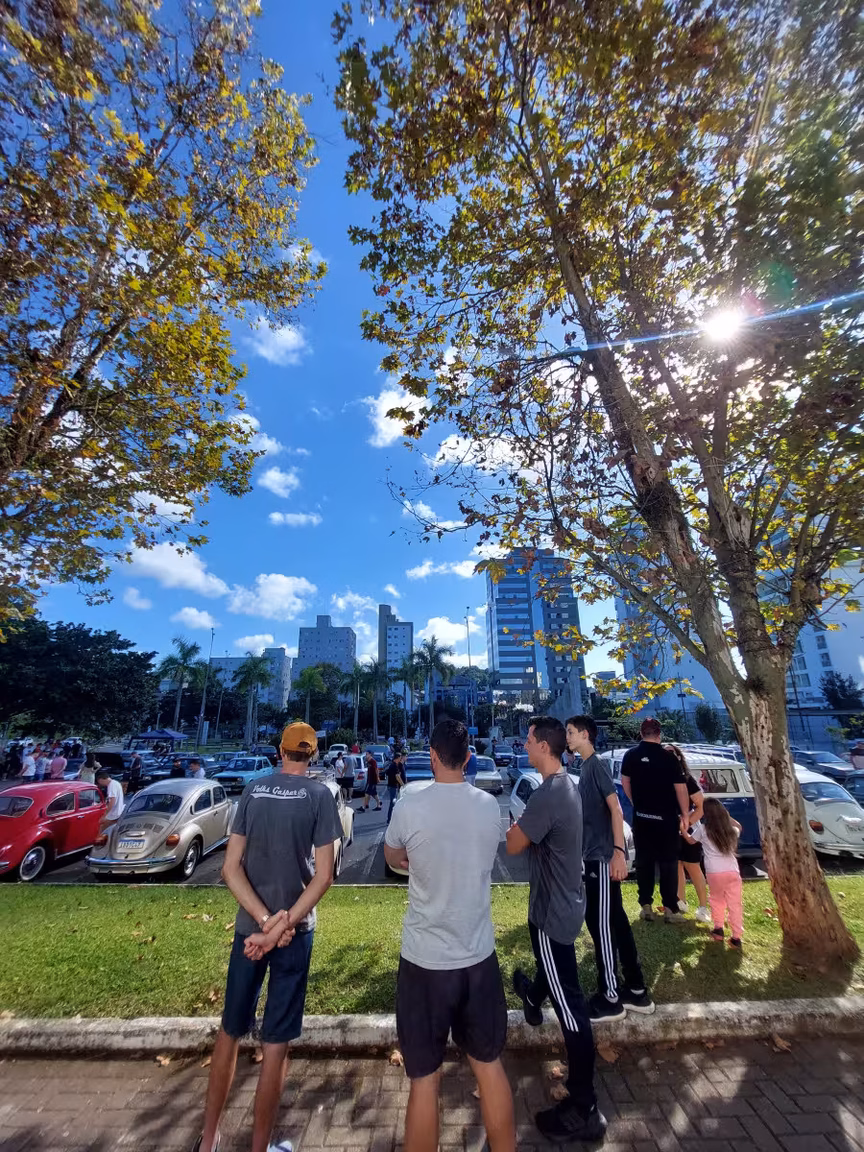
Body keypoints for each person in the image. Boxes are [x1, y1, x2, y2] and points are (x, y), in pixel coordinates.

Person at [192, 722, 342, 1152]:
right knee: (275, 1044)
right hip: (295, 933)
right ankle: (260, 1146)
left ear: (280, 751)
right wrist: (283, 924)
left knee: (229, 1031)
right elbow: (325, 876)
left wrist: (263, 923)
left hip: (249, 932)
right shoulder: (319, 795)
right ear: (313, 755)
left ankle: (209, 1140)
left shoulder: (253, 791)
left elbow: (229, 868)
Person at [384, 718, 515, 1152]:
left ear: (433, 757)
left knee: (424, 1080)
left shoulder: (410, 805)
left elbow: (392, 854)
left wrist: (413, 861)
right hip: (478, 958)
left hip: (424, 962)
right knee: (489, 1066)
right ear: (468, 758)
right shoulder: (489, 807)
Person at [506, 716, 605, 1145]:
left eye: (528, 739)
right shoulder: (566, 785)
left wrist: (514, 827)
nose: (524, 744)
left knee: (571, 1008)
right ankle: (531, 996)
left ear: (543, 747)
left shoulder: (548, 794)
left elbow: (513, 843)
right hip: (564, 905)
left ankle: (584, 1108)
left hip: (552, 916)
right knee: (555, 976)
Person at [566, 714, 654, 1021]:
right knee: (616, 920)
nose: (568, 737)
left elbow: (616, 809)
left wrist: (618, 852)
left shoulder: (597, 765)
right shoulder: (585, 767)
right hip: (594, 856)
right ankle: (637, 989)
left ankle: (610, 997)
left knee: (600, 924)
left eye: (571, 732)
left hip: (601, 858)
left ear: (586, 735)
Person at [621, 717, 690, 923]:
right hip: (666, 819)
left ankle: (646, 906)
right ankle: (670, 909)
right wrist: (685, 814)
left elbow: (625, 782)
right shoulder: (669, 757)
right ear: (659, 734)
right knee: (669, 863)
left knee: (644, 862)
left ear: (641, 733)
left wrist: (635, 802)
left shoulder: (631, 755)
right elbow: (681, 788)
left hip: (642, 818)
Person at [682, 798, 743, 948]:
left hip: (714, 872)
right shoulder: (731, 830)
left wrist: (683, 830)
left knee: (717, 901)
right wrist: (727, 816)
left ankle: (718, 929)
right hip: (733, 872)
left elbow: (690, 840)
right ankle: (736, 937)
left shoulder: (703, 829)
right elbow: (739, 826)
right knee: (735, 904)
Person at [666, 745, 711, 922]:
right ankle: (681, 901)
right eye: (664, 753)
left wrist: (686, 824)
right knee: (676, 866)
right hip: (670, 831)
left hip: (689, 831)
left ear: (679, 757)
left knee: (693, 866)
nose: (667, 756)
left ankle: (703, 907)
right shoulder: (660, 779)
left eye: (671, 753)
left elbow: (701, 806)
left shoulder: (687, 779)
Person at [385, 754, 406, 825]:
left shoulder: (392, 765)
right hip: (392, 786)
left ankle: (391, 818)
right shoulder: (394, 766)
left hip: (392, 786)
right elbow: (397, 777)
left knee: (394, 802)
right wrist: (403, 785)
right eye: (400, 758)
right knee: (392, 803)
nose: (400, 759)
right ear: (397, 758)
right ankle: (389, 819)